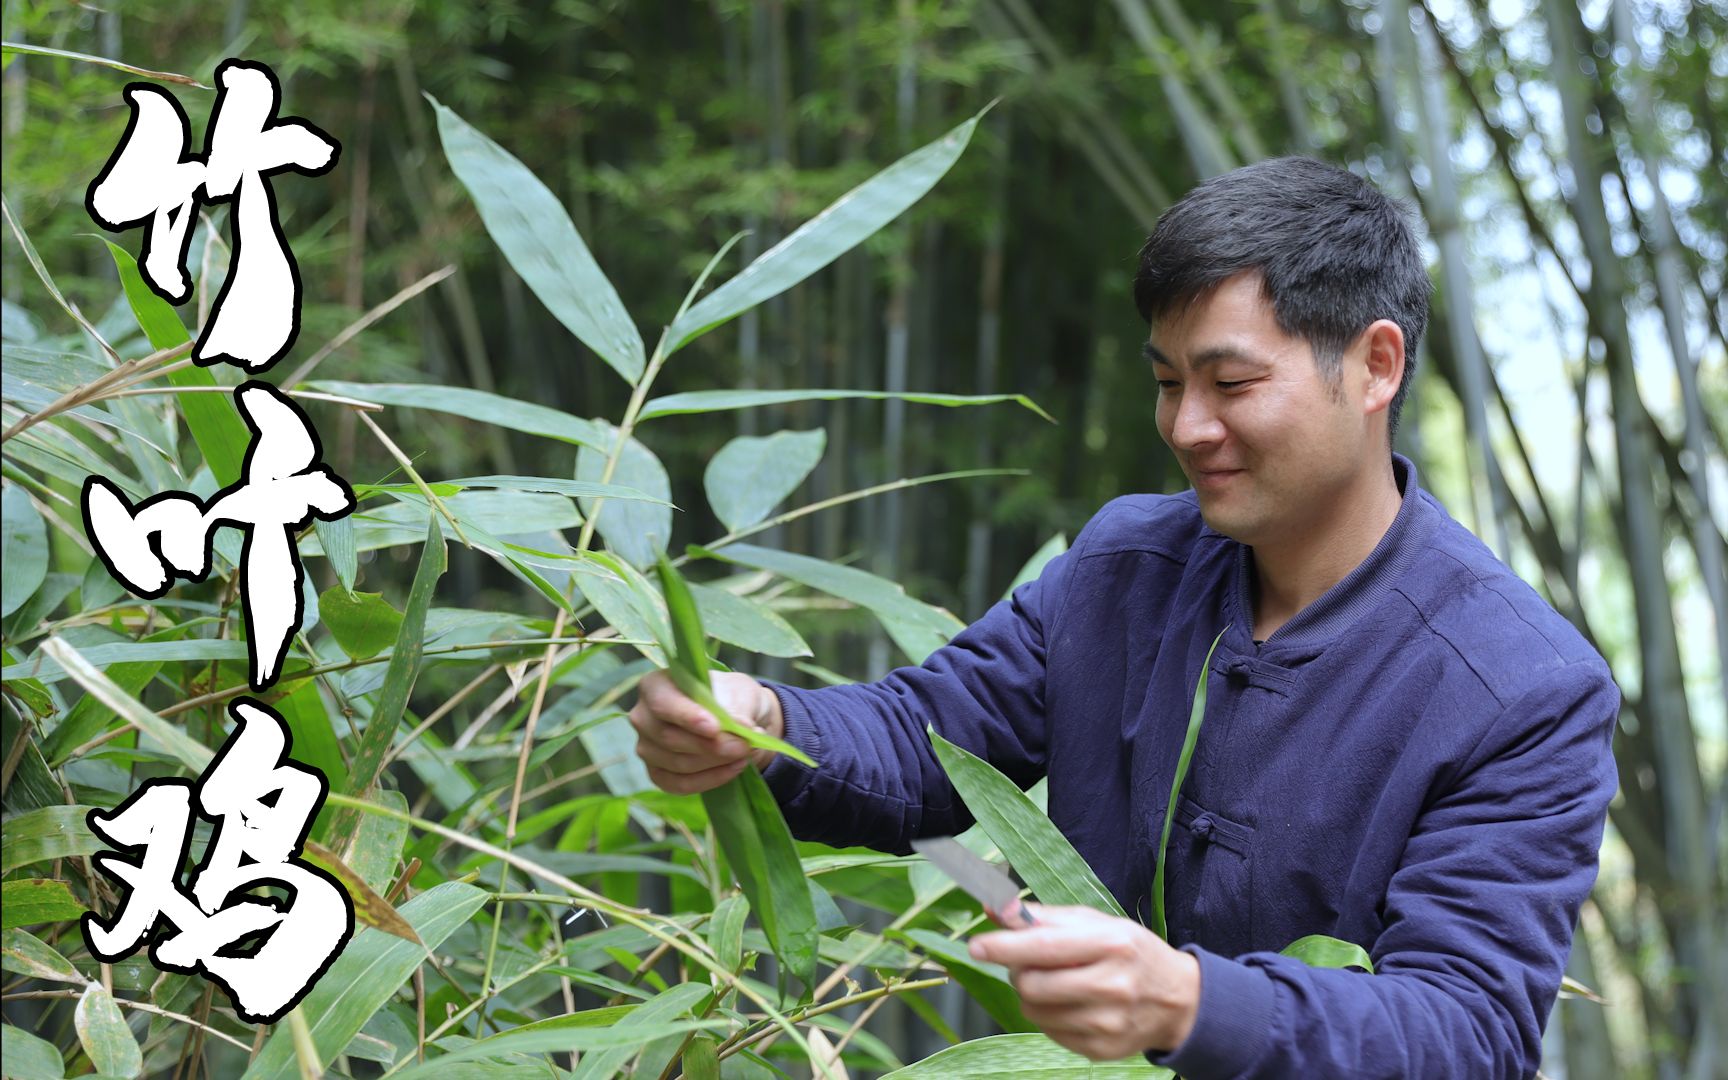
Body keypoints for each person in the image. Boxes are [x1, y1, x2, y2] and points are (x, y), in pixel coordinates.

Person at [629, 156, 1619, 1078]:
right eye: (1166, 382)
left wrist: (1192, 1005)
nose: (1188, 428)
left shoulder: (1521, 689)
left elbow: (1464, 1033)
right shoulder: (1124, 566)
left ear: (1375, 366)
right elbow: (928, 748)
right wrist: (766, 726)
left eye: (1231, 384)